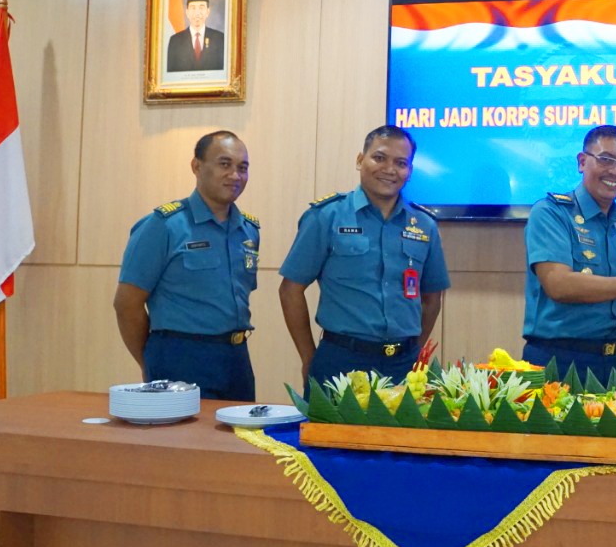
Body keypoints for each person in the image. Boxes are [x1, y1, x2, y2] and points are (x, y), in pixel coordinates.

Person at [279, 125, 448, 389]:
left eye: (401, 163)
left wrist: (414, 350)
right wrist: (308, 357)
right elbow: (291, 290)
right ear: (360, 160)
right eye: (379, 158)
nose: (390, 169)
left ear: (410, 171)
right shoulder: (327, 216)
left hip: (404, 366)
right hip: (340, 362)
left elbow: (432, 298)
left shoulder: (425, 225)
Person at [522, 125, 616, 384]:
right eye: (606, 159)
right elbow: (559, 285)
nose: (615, 171)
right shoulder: (551, 213)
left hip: (613, 362)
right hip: (557, 361)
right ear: (582, 162)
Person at [114, 131, 259, 401]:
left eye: (243, 168)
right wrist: (151, 361)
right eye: (224, 164)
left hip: (236, 357)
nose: (235, 175)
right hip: (180, 357)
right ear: (197, 166)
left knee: (238, 428)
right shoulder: (164, 225)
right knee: (184, 430)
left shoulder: (248, 230)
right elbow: (127, 304)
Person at [166, 0, 226, 72]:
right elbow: (171, 74)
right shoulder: (175, 41)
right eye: (193, 8)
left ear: (208, 11)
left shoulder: (220, 39)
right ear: (187, 12)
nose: (197, 13)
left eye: (201, 7)